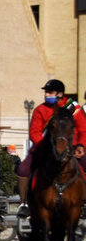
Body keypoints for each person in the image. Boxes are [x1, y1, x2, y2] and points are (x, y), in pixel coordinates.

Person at [16, 79, 86, 214]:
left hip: (72, 148)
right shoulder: (40, 110)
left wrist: (81, 146)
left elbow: (84, 130)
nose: (47, 95)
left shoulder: (74, 108)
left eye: (50, 92)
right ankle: (24, 203)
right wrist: (44, 145)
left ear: (60, 94)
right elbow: (34, 132)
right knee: (23, 169)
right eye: (46, 92)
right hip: (44, 147)